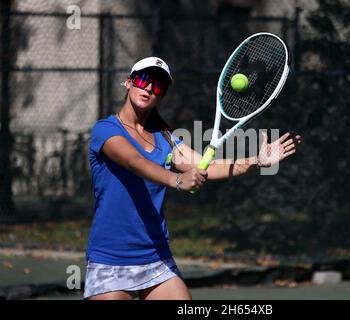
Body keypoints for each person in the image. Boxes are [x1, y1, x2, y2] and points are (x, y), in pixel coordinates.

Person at [83, 57, 302, 300]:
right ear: (128, 82)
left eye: (158, 86)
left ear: (162, 95)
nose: (148, 88)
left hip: (156, 257)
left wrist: (255, 162)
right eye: (144, 80)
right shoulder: (105, 130)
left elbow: (207, 167)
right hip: (111, 258)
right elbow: (135, 162)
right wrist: (177, 180)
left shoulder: (165, 139)